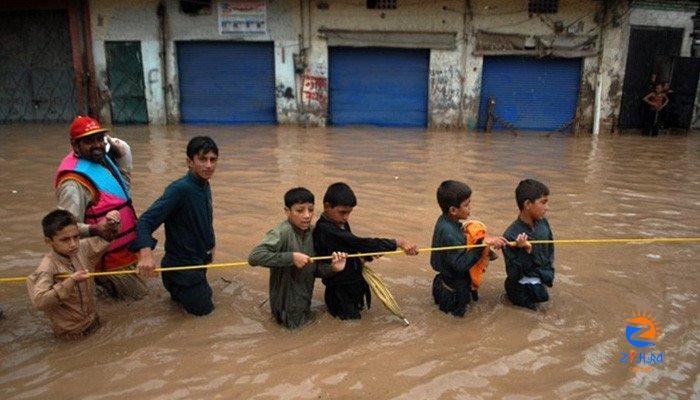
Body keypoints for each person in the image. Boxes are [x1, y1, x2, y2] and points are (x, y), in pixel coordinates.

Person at [55, 115, 147, 300]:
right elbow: (64, 228)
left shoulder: (102, 162)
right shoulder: (73, 183)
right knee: (138, 305)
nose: (97, 144)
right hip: (109, 263)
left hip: (126, 253)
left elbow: (123, 188)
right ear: (75, 146)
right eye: (89, 141)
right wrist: (95, 229)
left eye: (99, 138)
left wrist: (115, 150)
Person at [132, 136, 219, 316]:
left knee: (185, 311)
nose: (209, 165)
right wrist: (146, 255)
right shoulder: (179, 189)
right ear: (189, 162)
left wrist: (211, 245)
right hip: (183, 270)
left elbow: (201, 220)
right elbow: (145, 221)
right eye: (203, 159)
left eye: (213, 159)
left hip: (196, 265)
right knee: (207, 317)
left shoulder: (204, 184)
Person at [313, 182, 418, 320]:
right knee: (351, 326)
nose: (346, 217)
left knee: (355, 321)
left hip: (353, 283)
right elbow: (360, 243)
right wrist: (398, 243)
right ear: (327, 206)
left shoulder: (339, 222)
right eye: (342, 212)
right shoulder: (325, 229)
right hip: (340, 291)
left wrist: (367, 256)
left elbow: (351, 247)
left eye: (349, 213)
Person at [248, 187, 347, 329]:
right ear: (287, 211)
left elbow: (315, 269)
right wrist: (291, 257)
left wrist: (333, 268)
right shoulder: (281, 233)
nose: (307, 215)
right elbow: (254, 256)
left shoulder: (314, 232)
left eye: (311, 210)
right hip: (286, 308)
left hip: (304, 302)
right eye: (300, 211)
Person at [27, 209, 120, 339]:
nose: (73, 244)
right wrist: (71, 281)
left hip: (94, 322)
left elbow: (105, 239)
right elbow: (40, 302)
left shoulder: (81, 248)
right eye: (65, 240)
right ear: (48, 242)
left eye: (76, 237)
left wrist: (111, 225)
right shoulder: (47, 267)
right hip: (71, 335)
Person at [430, 180, 508, 317]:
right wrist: (481, 246)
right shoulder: (449, 233)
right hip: (453, 293)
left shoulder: (444, 221)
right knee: (459, 326)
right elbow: (460, 265)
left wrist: (484, 247)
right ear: (453, 210)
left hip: (444, 283)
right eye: (466, 205)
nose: (470, 208)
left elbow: (458, 250)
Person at [502, 179, 554, 310]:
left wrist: (548, 275)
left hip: (541, 281)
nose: (547, 207)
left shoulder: (543, 224)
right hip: (522, 291)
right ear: (527, 204)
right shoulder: (510, 235)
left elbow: (550, 252)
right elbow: (513, 274)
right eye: (543, 202)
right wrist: (524, 251)